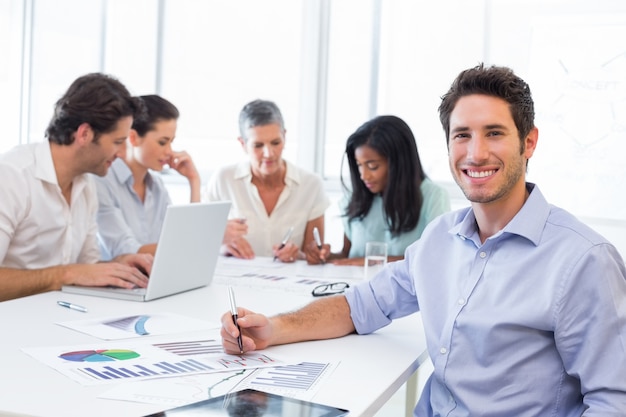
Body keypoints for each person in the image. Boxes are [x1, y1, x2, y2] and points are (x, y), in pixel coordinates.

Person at [220, 64, 626, 415]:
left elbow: (614, 402)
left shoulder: (584, 260)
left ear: (529, 141)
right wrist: (272, 328)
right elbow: (359, 306)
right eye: (462, 134)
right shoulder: (439, 241)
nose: (476, 153)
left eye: (495, 133)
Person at [0, 73, 154, 302]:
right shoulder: (12, 176)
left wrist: (117, 265)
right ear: (84, 134)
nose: (122, 154)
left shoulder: (86, 184)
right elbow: (70, 274)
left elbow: (85, 268)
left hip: (60, 318)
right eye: (118, 142)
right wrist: (65, 274)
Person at [94, 94, 246, 260]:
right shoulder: (102, 181)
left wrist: (193, 180)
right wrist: (209, 237)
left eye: (171, 142)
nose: (169, 151)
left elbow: (177, 242)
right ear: (133, 137)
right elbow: (126, 251)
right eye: (162, 142)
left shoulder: (156, 186)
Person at [305, 115, 450, 265]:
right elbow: (347, 256)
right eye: (359, 165)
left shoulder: (434, 197)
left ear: (399, 163)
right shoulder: (357, 199)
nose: (363, 175)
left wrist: (370, 262)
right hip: (354, 286)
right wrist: (324, 256)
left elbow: (435, 258)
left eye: (372, 166)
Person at [205, 99, 330, 262]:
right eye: (258, 145)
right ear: (243, 144)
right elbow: (201, 241)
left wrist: (297, 255)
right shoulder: (223, 179)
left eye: (276, 142)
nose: (268, 153)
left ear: (285, 136)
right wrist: (222, 246)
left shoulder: (311, 185)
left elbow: (313, 256)